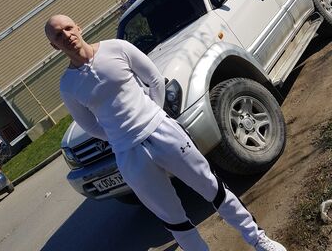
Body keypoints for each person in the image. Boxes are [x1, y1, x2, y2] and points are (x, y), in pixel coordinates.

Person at [45, 14, 287, 251]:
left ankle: (257, 239)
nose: (66, 35)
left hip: (163, 132)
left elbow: (154, 80)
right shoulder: (68, 85)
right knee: (173, 218)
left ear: (78, 27)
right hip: (128, 155)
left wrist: (153, 116)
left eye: (68, 28)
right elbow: (89, 125)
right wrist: (121, 137)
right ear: (54, 46)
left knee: (211, 187)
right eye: (58, 35)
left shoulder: (117, 48)